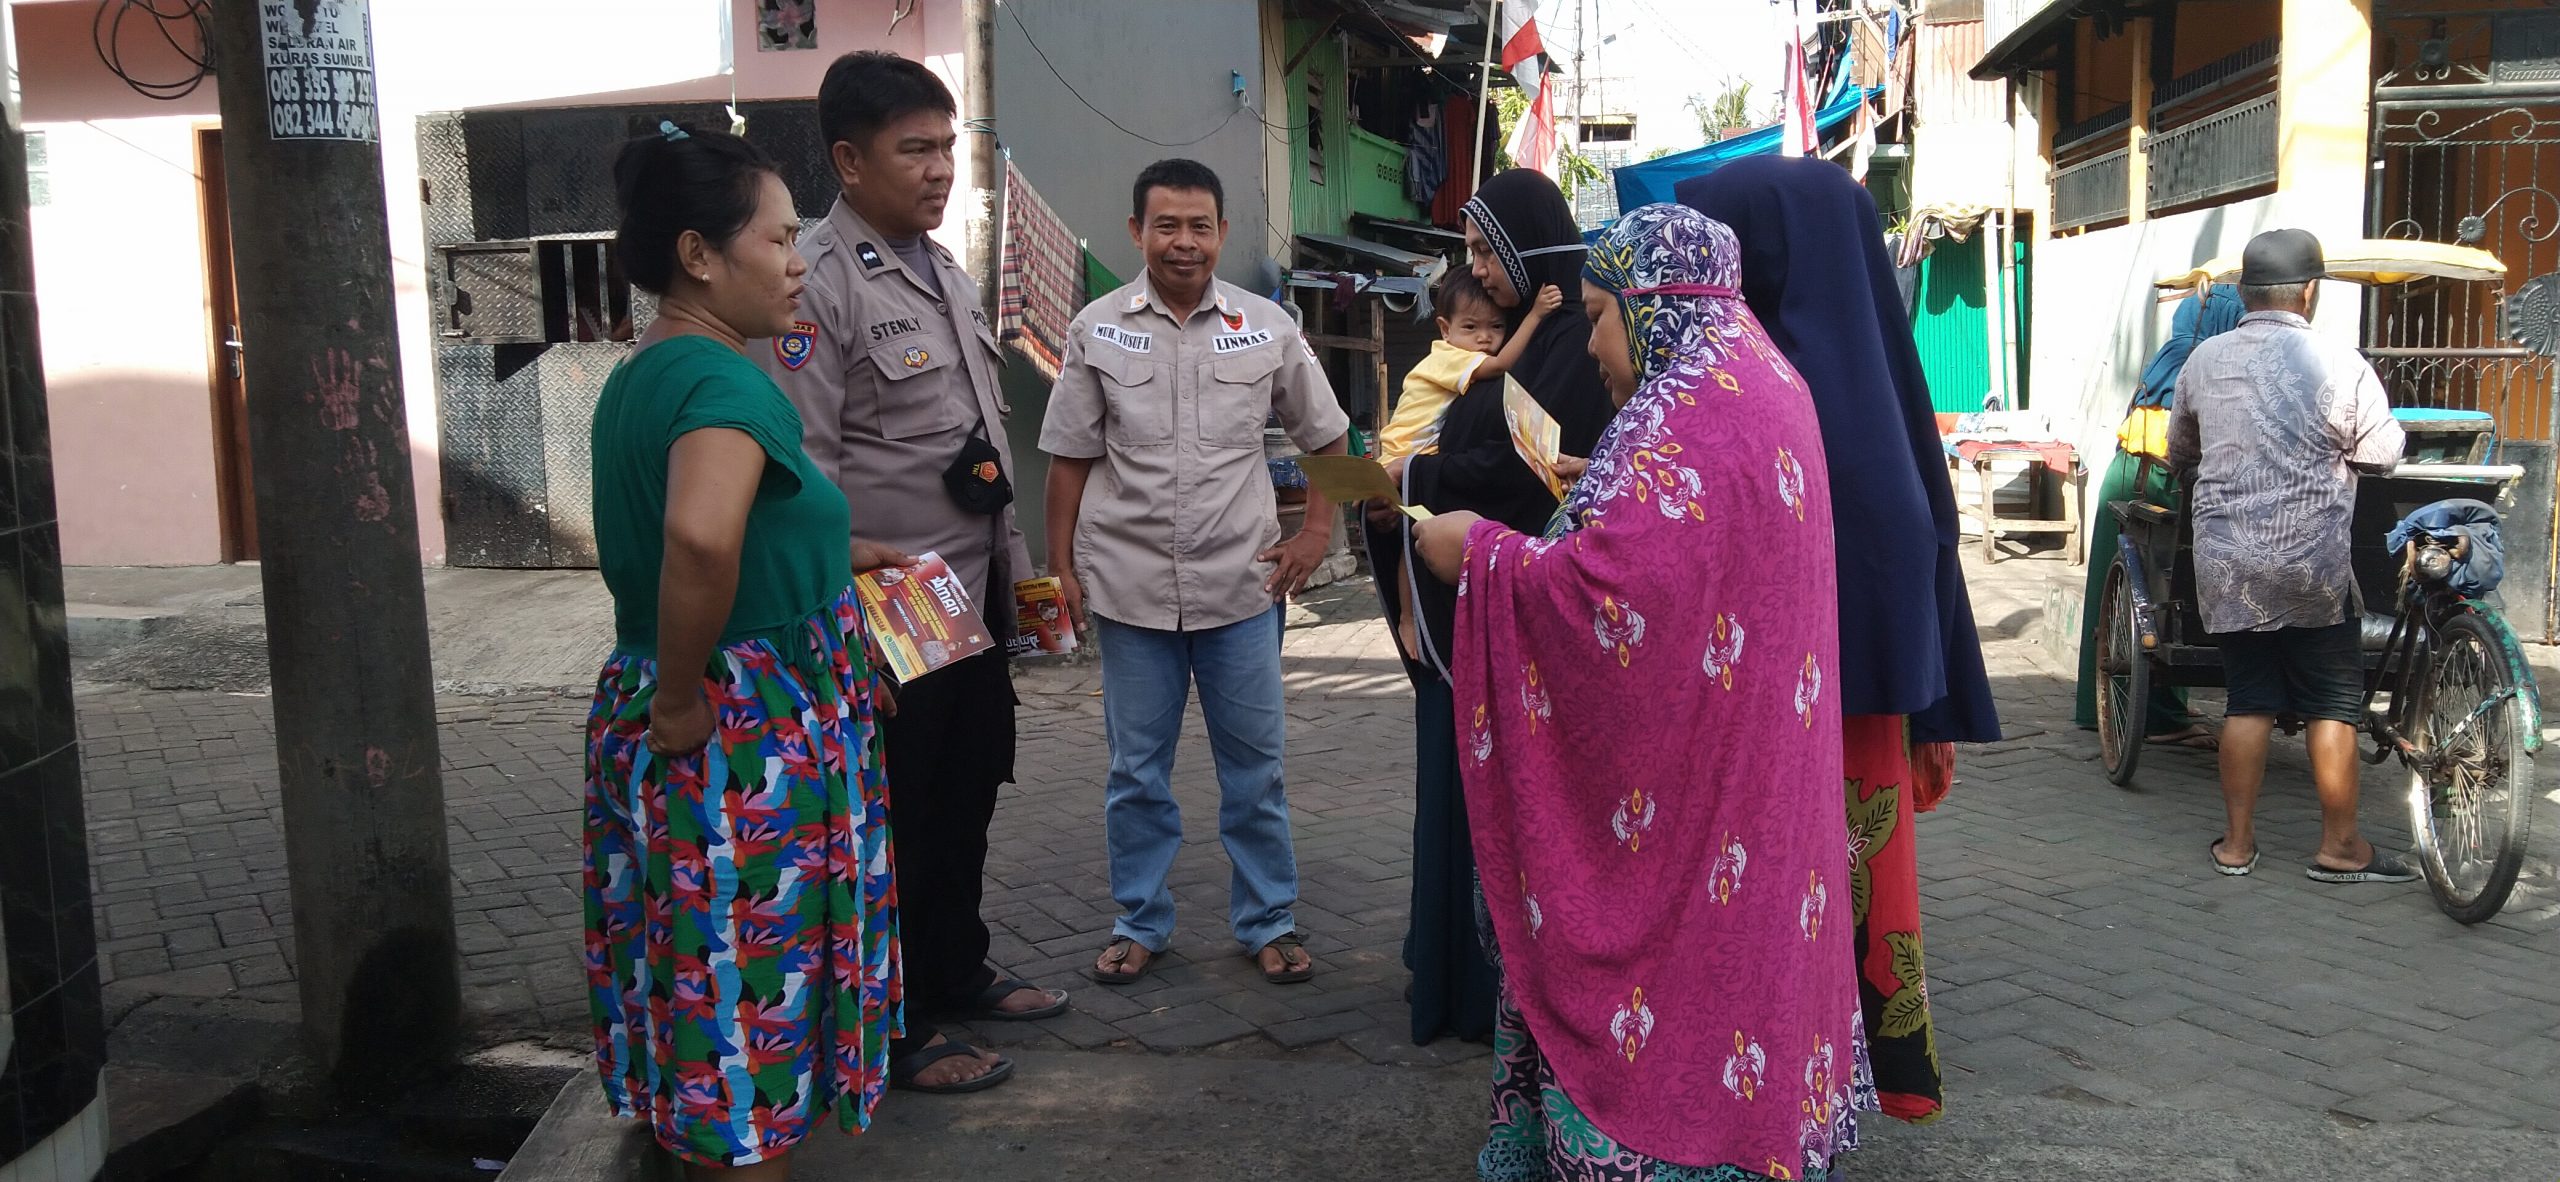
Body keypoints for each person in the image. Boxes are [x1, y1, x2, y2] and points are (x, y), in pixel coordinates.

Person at [1413, 203, 1868, 1182]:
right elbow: (1683, 546)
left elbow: (1605, 599)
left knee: (1671, 987)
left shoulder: (1679, 423)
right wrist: (1602, 487)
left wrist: (1478, 552)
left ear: (1652, 308)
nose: (1593, 349)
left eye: (1597, 318)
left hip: (1696, 805)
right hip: (1759, 781)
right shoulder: (1759, 380)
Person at [583, 120, 901, 1178]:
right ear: (699, 255)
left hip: (706, 711)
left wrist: (834, 557)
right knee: (746, 1015)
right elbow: (699, 536)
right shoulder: (726, 382)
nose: (798, 261)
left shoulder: (650, 372)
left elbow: (732, 528)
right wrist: (682, 697)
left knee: (700, 989)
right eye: (778, 238)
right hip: (737, 735)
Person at [753, 50, 1063, 1097]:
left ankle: (954, 969)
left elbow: (979, 442)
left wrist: (1020, 580)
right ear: (849, 160)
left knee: (966, 792)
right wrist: (832, 612)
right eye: (913, 149)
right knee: (894, 816)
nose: (938, 170)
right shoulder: (817, 284)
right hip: (884, 609)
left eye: (946, 148)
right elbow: (802, 469)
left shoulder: (944, 270)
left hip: (964, 596)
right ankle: (895, 1024)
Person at [1681, 155, 2000, 1124]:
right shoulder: (1861, 383)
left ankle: (1790, 1079)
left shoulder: (1766, 390)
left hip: (1800, 715)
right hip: (1857, 709)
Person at [1039, 158, 1352, 986]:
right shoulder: (1097, 329)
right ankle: (1139, 920)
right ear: (1136, 231)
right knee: (1135, 773)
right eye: (1167, 226)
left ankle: (1269, 919)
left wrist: (1317, 533)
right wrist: (1060, 564)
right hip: (1131, 592)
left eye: (1200, 227)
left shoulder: (1267, 327)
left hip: (1241, 589)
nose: (1185, 242)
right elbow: (1069, 457)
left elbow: (1328, 435)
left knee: (1256, 770)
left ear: (1222, 232)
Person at [1372, 169, 1618, 1046]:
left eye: (1486, 250)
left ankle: (1491, 991)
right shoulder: (1517, 337)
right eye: (1471, 252)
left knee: (1498, 803)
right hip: (1466, 603)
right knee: (1453, 792)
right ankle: (1450, 967)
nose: (1477, 269)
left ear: (1525, 247)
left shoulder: (1573, 345)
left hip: (1516, 613)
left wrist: (1417, 474)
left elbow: (1529, 473)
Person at [2167, 228, 2414, 883]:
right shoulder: (2340, 361)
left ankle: (2237, 846)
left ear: (2245, 292)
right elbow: (2381, 452)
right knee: (2332, 702)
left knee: (2248, 699)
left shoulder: (2203, 360)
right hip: (2313, 565)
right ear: (2309, 292)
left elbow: (2180, 452)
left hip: (2228, 564)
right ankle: (2340, 849)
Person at [2073, 285, 2245, 748]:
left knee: (2117, 603)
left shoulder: (2169, 357)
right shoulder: (2205, 365)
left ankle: (2104, 707)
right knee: (2165, 601)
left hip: (2129, 478)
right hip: (2158, 487)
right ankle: (2160, 718)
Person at [1377, 267, 1573, 661]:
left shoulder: (1459, 354)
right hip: (1405, 455)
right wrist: (1536, 314)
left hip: (1419, 454)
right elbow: (1500, 366)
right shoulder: (1448, 358)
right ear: (1444, 329)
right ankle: (1408, 619)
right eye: (1471, 327)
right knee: (1412, 542)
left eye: (1496, 327)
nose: (1484, 338)